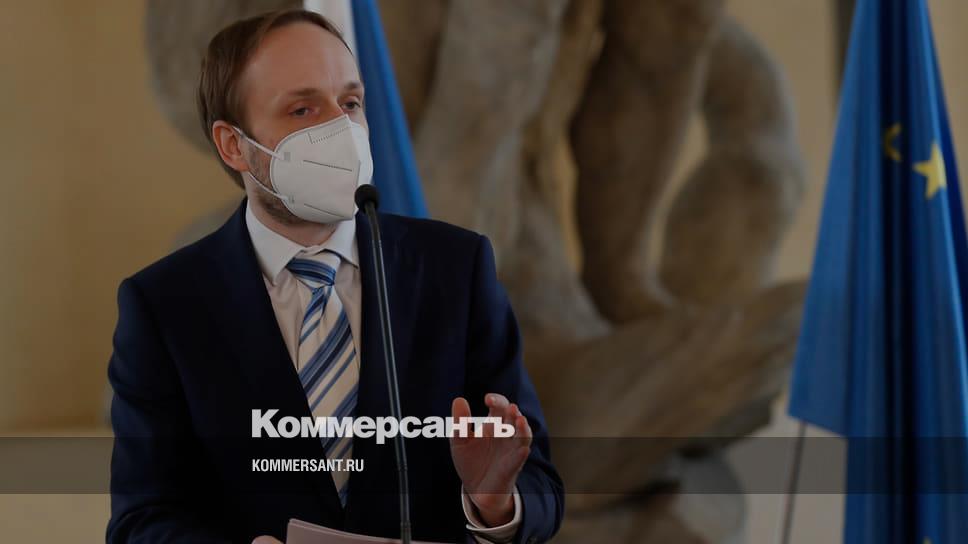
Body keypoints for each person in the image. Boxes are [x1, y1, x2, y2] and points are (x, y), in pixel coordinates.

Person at [106, 9, 563, 544]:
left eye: (350, 103)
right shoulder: (164, 305)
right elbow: (141, 521)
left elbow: (541, 486)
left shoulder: (455, 270)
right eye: (302, 109)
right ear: (233, 144)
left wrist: (494, 501)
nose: (340, 130)